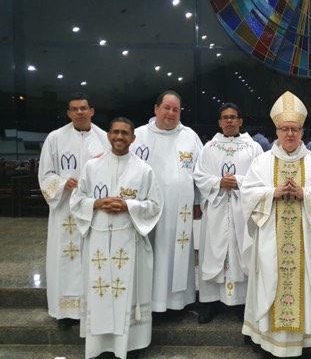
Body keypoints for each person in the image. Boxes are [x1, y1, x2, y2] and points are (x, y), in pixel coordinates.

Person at [240, 91, 311, 358]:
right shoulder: (262, 162)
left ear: (303, 132)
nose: (290, 134)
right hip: (270, 240)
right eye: (284, 129)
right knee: (270, 277)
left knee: (306, 280)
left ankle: (307, 337)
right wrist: (273, 192)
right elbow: (247, 193)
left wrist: (305, 194)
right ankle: (268, 337)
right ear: (276, 131)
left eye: (295, 129)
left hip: (306, 238)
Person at [69, 117, 163, 359]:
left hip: (128, 241)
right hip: (98, 241)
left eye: (125, 133)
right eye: (115, 132)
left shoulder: (144, 170)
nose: (119, 137)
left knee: (126, 294)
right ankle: (100, 347)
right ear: (108, 135)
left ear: (133, 138)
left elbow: (155, 206)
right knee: (99, 293)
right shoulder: (92, 167)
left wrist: (128, 206)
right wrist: (97, 203)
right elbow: (76, 202)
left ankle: (127, 346)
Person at [38, 92, 110, 328]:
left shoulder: (104, 138)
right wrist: (61, 183)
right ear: (69, 113)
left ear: (92, 111)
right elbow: (45, 174)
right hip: (65, 210)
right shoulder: (55, 138)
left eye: (84, 108)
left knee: (94, 258)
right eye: (74, 109)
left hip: (93, 209)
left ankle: (92, 309)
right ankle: (65, 313)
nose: (80, 112)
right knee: (65, 258)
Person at [131, 90, 203, 319]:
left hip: (180, 211)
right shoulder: (139, 135)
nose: (171, 113)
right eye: (167, 108)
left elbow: (200, 172)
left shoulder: (190, 136)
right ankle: (150, 304)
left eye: (176, 109)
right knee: (153, 254)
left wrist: (198, 201)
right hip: (148, 210)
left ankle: (179, 302)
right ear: (156, 109)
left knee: (178, 254)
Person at [193, 103, 263, 324]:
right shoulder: (209, 147)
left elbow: (261, 178)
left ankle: (242, 303)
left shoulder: (253, 148)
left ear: (241, 121)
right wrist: (219, 182)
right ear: (220, 122)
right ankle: (210, 302)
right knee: (213, 252)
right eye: (225, 117)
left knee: (241, 252)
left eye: (234, 117)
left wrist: (239, 182)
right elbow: (200, 177)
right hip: (216, 210)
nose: (230, 121)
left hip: (243, 212)